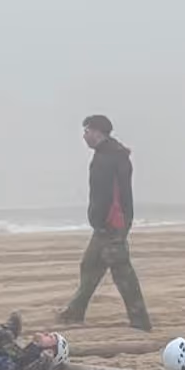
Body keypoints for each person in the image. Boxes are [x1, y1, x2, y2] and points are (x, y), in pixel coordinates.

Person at [57, 114, 151, 331]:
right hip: (104, 225)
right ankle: (74, 312)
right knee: (90, 266)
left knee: (122, 272)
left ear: (98, 132)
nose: (84, 136)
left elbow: (114, 196)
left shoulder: (112, 157)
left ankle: (140, 321)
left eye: (87, 131)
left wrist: (113, 223)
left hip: (112, 225)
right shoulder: (106, 154)